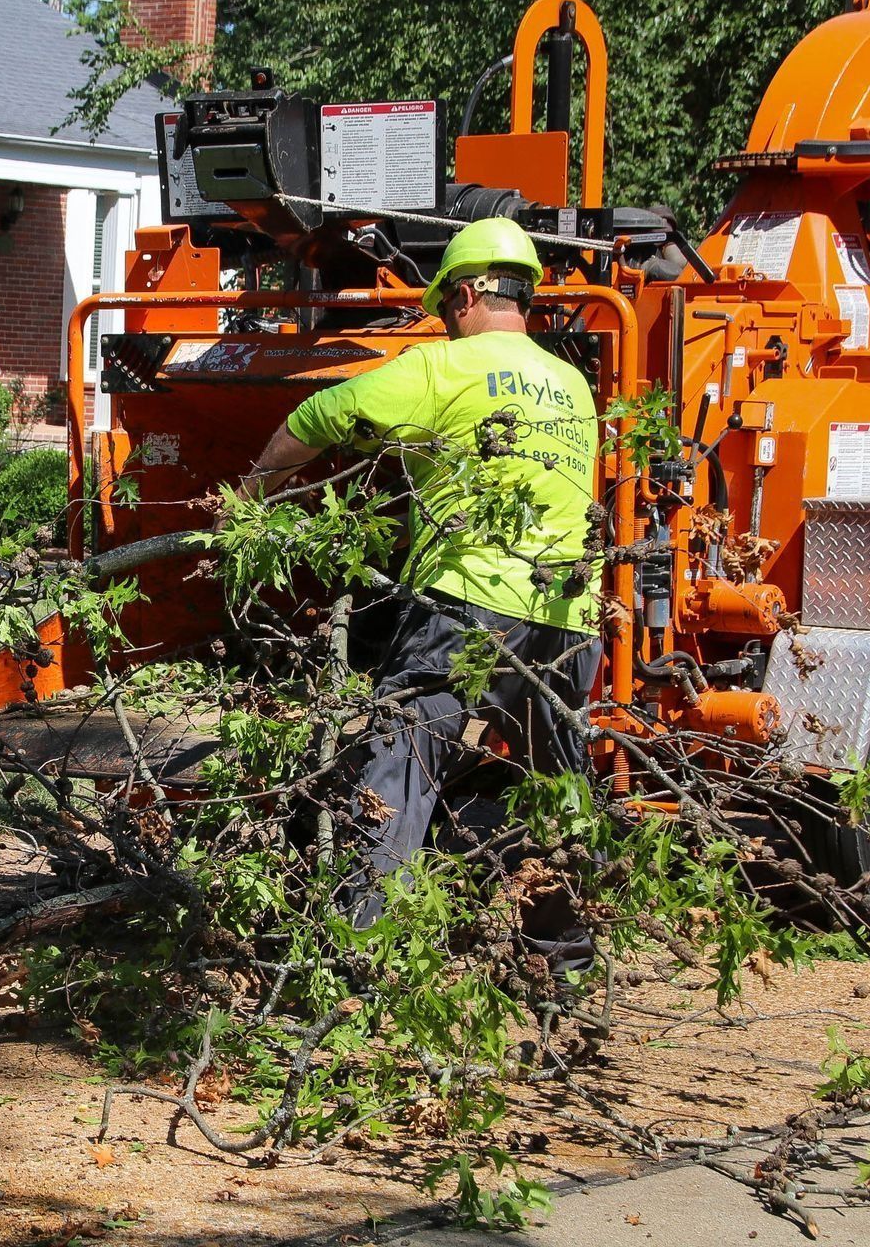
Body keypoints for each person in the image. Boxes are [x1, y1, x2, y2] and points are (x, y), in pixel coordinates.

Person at [230, 217, 602, 921]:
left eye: (441, 311)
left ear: (464, 295)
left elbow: (314, 418)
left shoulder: (442, 367)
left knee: (401, 766)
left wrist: (248, 500)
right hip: (570, 619)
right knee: (557, 791)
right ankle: (568, 961)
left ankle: (359, 950)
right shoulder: (573, 386)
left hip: (469, 604)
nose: (443, 324)